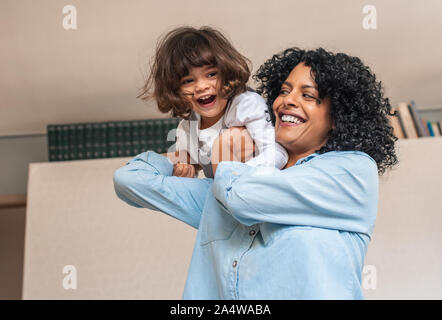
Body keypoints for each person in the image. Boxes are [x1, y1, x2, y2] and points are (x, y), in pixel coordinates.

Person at [114, 47, 398, 299]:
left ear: (338, 117)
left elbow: (241, 197)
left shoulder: (351, 171)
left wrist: (223, 150)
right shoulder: (225, 186)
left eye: (308, 95)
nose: (286, 100)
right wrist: (184, 157)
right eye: (284, 91)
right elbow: (132, 180)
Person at [137, 26, 288, 178]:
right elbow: (191, 167)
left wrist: (238, 176)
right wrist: (186, 172)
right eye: (188, 81)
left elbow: (277, 153)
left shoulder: (246, 104)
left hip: (252, 186)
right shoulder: (187, 127)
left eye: (211, 74)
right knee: (139, 169)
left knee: (231, 138)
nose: (201, 86)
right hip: (216, 190)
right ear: (176, 90)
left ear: (227, 73)